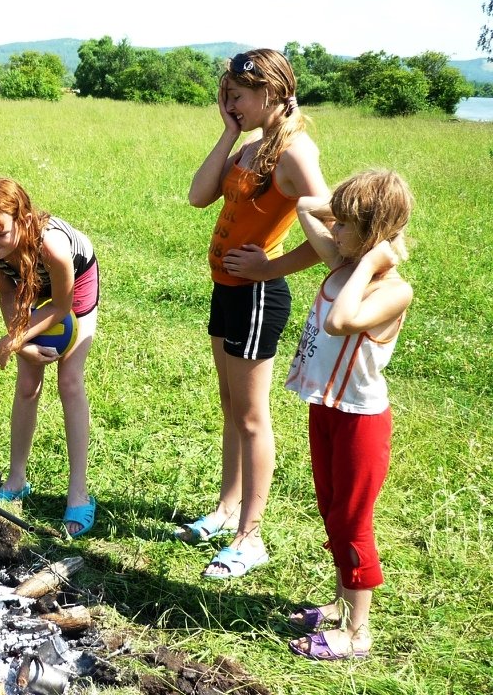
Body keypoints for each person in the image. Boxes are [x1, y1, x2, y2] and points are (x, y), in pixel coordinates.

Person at [183, 49, 328, 578]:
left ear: (269, 93)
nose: (230, 103)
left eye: (237, 97)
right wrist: (227, 130)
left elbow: (331, 228)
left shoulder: (295, 152)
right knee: (230, 405)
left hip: (257, 296)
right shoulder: (251, 144)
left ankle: (251, 537)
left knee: (250, 415)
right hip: (227, 290)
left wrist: (272, 267)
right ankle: (226, 510)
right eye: (226, 96)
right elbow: (200, 196)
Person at [285, 170, 414, 660]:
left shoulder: (392, 289)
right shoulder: (342, 260)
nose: (332, 230)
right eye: (335, 222)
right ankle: (341, 607)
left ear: (371, 234)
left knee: (352, 520)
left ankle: (357, 634)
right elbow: (304, 207)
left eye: (343, 224)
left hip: (362, 421)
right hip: (329, 409)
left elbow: (340, 321)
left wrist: (376, 258)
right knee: (331, 510)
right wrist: (347, 213)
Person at [0, 177, 99, 537]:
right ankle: (16, 479)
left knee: (69, 381)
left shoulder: (52, 246)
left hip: (72, 285)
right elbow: (9, 292)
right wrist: (20, 344)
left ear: (22, 219)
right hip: (27, 284)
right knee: (27, 384)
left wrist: (8, 344)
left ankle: (79, 494)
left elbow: (60, 305)